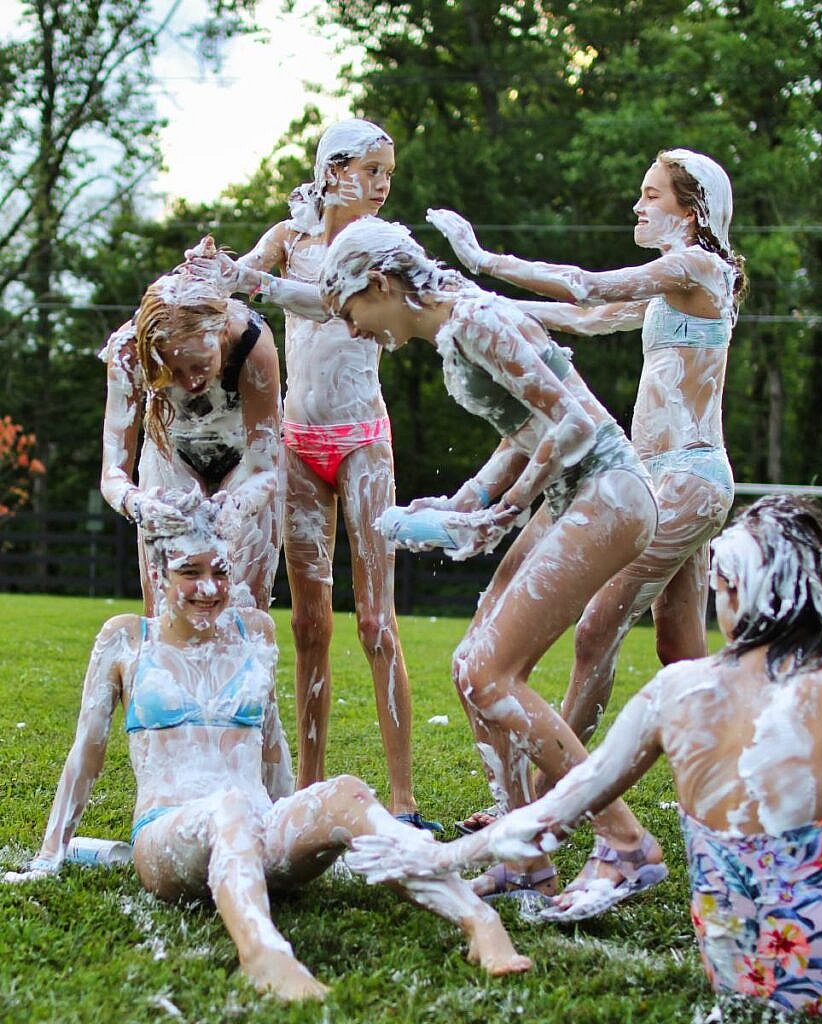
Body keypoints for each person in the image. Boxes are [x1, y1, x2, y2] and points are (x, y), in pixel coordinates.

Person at [345, 494, 822, 1017]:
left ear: (730, 591)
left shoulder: (675, 690)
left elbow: (548, 814)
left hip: (737, 972)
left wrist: (435, 856)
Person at [2, 491, 530, 1001]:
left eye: (220, 572)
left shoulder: (255, 631)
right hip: (168, 835)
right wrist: (50, 854)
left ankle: (478, 920)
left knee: (345, 792)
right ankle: (264, 955)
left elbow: (272, 744)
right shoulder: (126, 638)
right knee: (227, 808)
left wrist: (304, 821)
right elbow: (85, 755)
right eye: (191, 573)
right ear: (159, 575)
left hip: (257, 823)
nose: (209, 589)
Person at [316, 216, 666, 915]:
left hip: (607, 494)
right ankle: (522, 857)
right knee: (470, 668)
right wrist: (462, 501)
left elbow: (571, 422)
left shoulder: (474, 318)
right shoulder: (456, 325)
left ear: (380, 285)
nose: (353, 332)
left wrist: (501, 512)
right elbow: (524, 430)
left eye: (350, 313)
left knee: (486, 671)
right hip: (573, 494)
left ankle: (626, 844)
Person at [426, 148, 746, 768]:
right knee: (681, 650)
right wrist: (471, 300)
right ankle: (728, 777)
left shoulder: (699, 268)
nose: (638, 204)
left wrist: (484, 259)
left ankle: (557, 797)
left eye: (652, 195)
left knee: (597, 628)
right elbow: (582, 316)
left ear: (694, 208)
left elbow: (587, 283)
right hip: (660, 480)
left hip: (687, 478)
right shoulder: (670, 290)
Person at [184, 121, 431, 825]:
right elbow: (238, 282)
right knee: (310, 625)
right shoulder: (289, 239)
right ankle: (305, 790)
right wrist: (211, 268)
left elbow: (323, 298)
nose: (385, 184)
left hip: (362, 443)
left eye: (389, 172)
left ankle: (406, 801)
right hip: (298, 442)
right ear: (333, 171)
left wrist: (246, 280)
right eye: (374, 170)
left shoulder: (380, 247)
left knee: (376, 622)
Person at [100, 250, 281, 613]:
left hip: (245, 457)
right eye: (173, 372)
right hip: (173, 448)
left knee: (245, 605)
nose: (191, 381)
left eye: (201, 365)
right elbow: (113, 473)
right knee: (167, 606)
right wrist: (139, 505)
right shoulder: (129, 353)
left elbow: (266, 471)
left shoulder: (251, 343)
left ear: (220, 333)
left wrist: (238, 507)